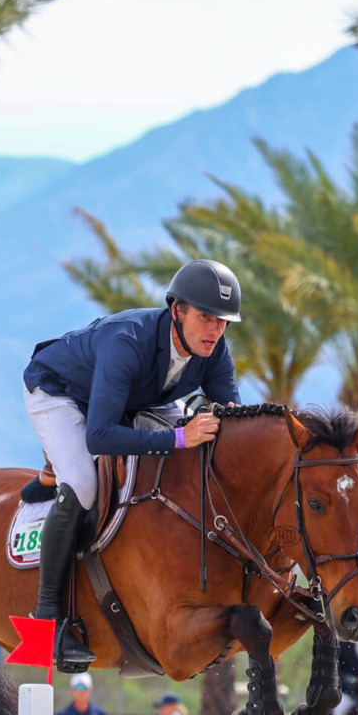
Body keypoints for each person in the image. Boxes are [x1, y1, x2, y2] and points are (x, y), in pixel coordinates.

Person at [22, 259, 244, 670]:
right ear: (176, 310)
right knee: (85, 485)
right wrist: (179, 437)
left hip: (136, 400)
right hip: (62, 393)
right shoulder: (128, 341)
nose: (214, 330)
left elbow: (230, 416)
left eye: (223, 322)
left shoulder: (213, 350)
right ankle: (47, 621)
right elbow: (100, 436)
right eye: (205, 318)